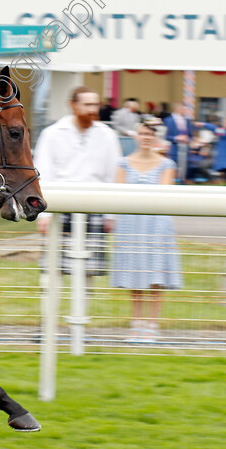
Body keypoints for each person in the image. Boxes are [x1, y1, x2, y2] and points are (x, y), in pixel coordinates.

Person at [34, 86, 123, 278]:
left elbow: (112, 176)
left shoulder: (107, 135)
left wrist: (110, 215)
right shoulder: (52, 133)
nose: (93, 109)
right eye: (87, 104)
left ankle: (84, 309)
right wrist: (44, 215)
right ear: (73, 105)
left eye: (96, 104)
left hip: (95, 207)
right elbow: (43, 174)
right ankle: (50, 309)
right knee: (52, 267)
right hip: (59, 207)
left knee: (89, 271)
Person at [111, 120, 181, 342]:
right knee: (134, 274)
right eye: (142, 133)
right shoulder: (123, 163)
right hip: (131, 224)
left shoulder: (166, 164)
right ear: (136, 136)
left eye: (151, 133)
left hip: (156, 224)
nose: (146, 137)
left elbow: (165, 194)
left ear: (156, 137)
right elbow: (119, 194)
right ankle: (136, 323)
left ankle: (152, 324)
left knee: (155, 275)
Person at [163, 103, 194, 183]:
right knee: (173, 167)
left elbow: (190, 135)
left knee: (184, 170)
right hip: (174, 149)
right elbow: (166, 136)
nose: (185, 111)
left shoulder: (187, 121)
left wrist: (188, 139)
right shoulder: (168, 120)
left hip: (185, 150)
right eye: (183, 109)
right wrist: (176, 138)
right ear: (177, 109)